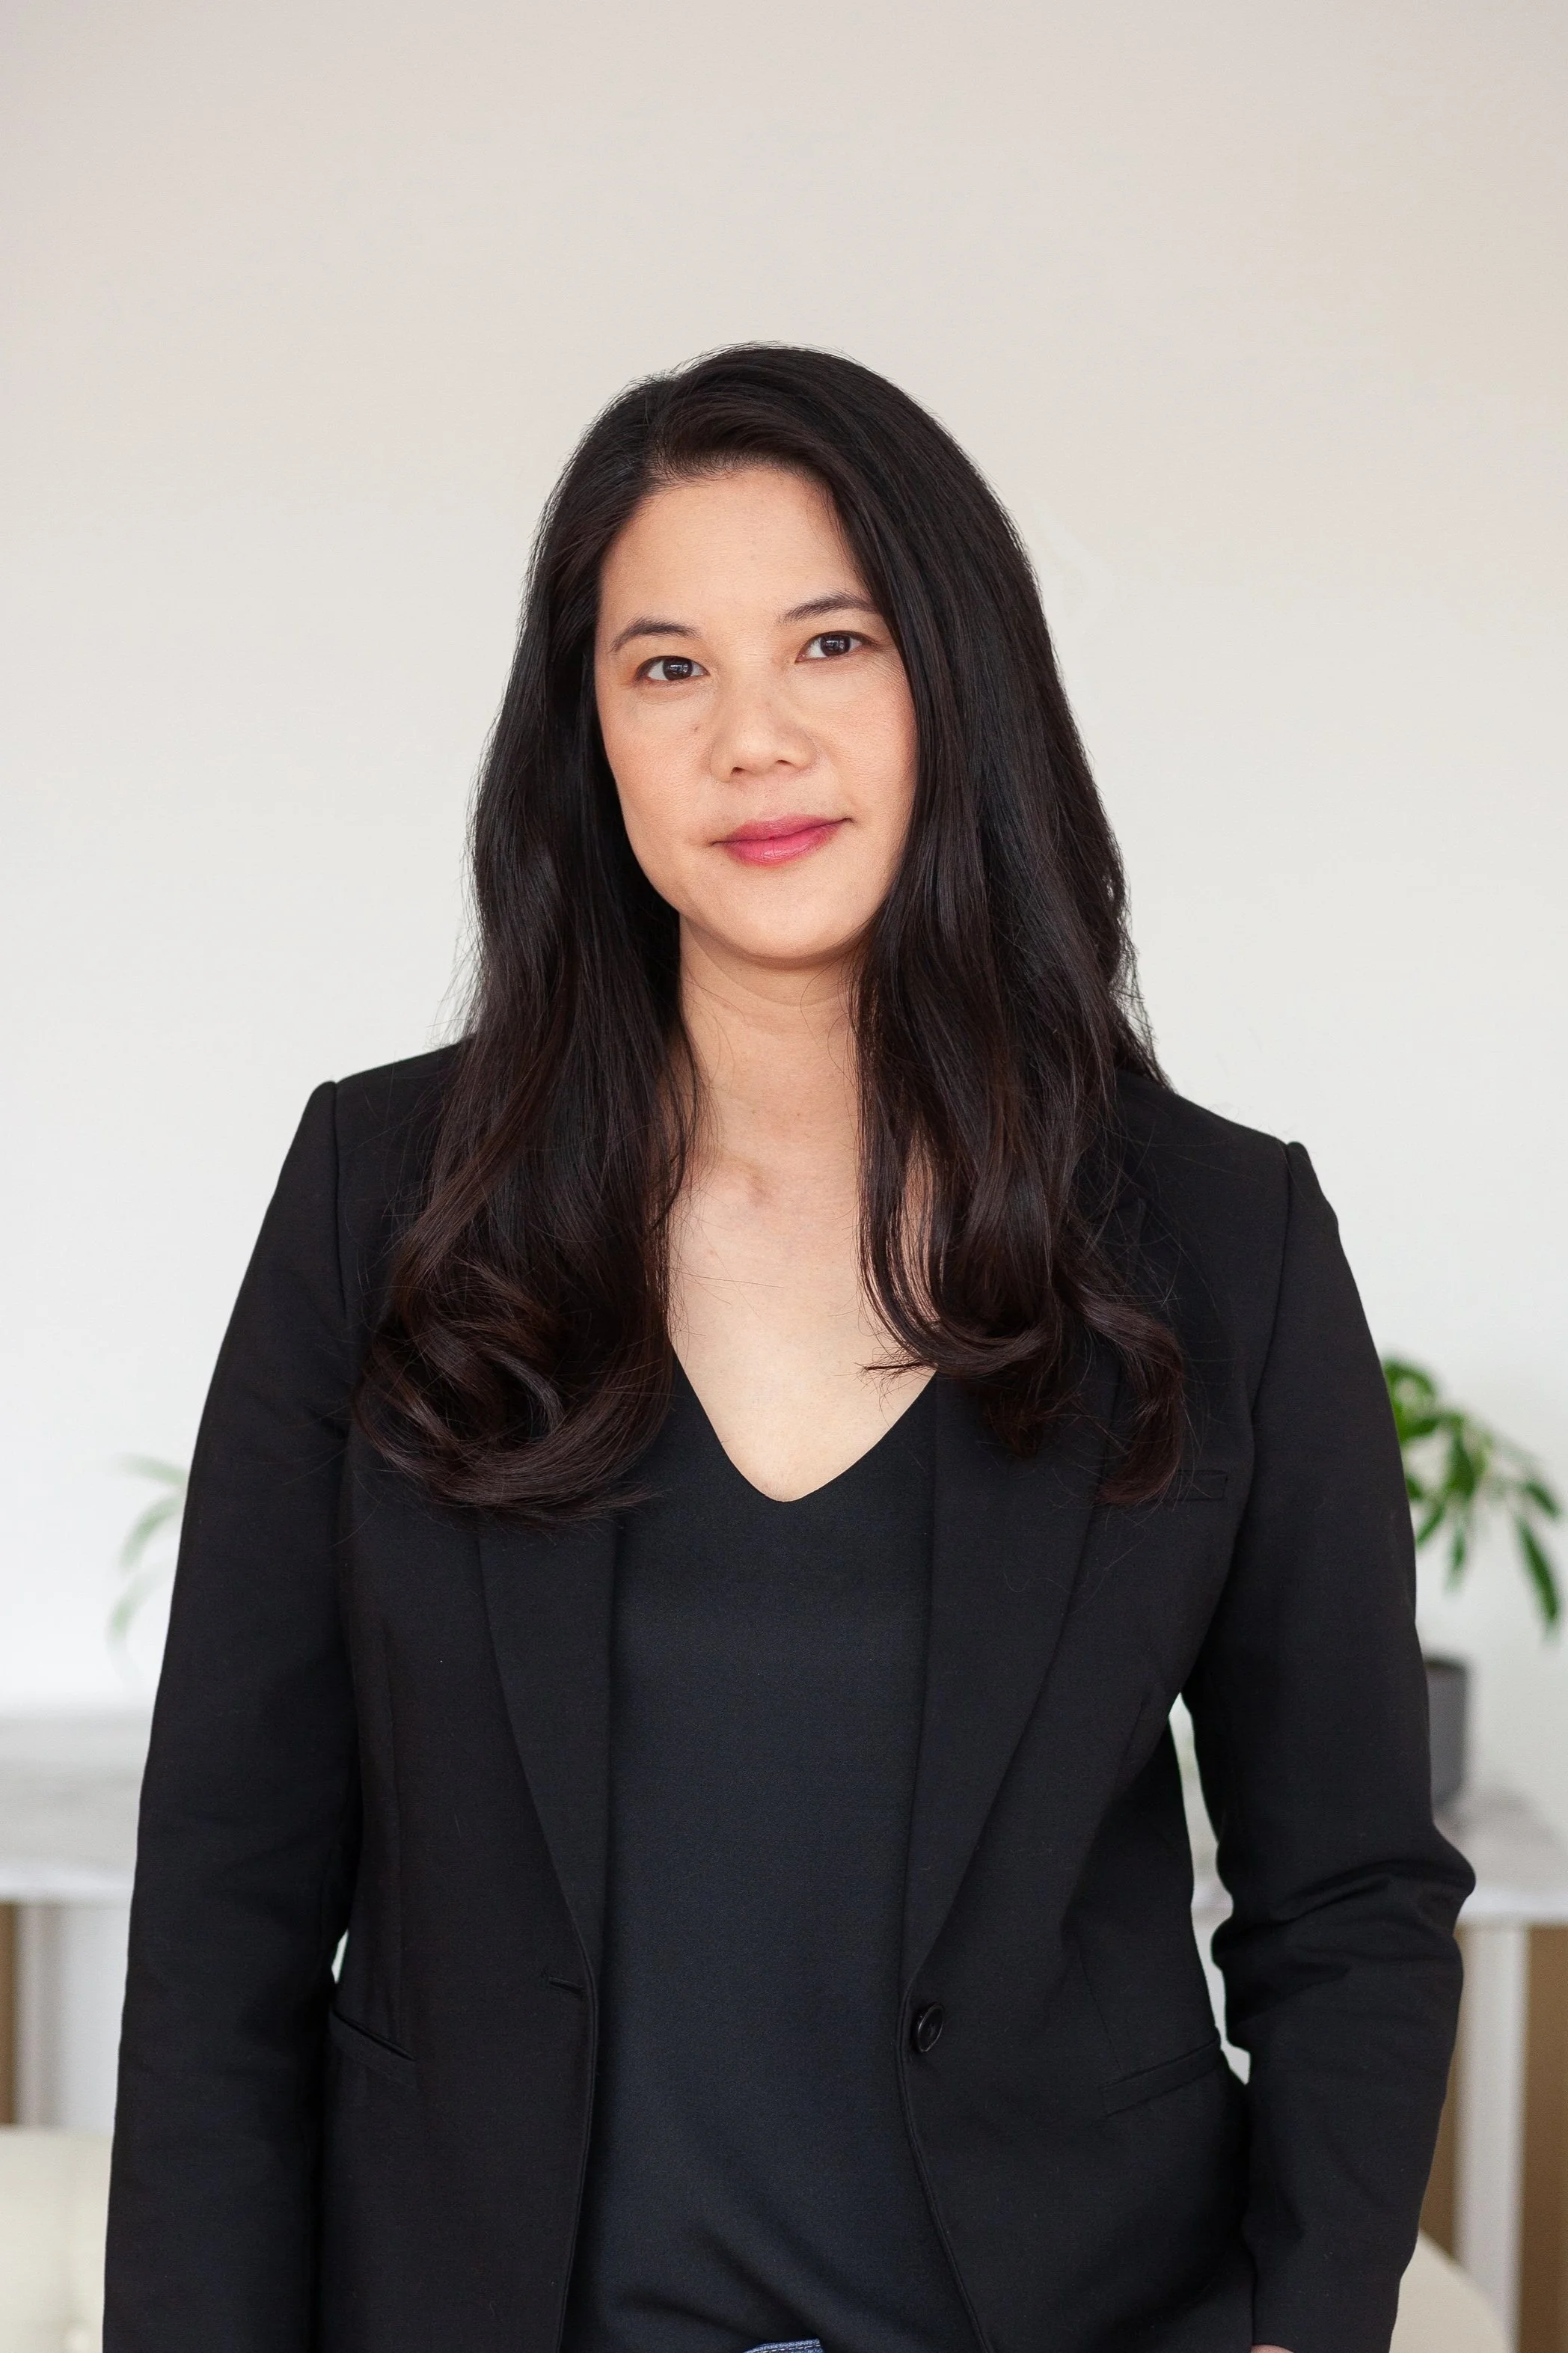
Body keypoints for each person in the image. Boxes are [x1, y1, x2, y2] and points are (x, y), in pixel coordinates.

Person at [104, 346, 1472, 2353]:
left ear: (957, 683)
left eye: (832, 642)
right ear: (588, 737)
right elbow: (226, 1900)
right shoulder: (382, 1200)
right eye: (667, 667)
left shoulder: (1218, 1237)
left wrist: (1296, 2326)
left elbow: (1350, 1890)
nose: (754, 738)